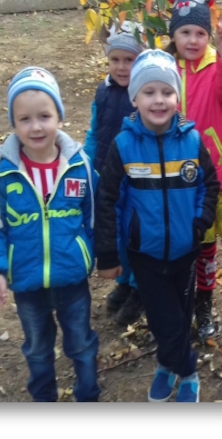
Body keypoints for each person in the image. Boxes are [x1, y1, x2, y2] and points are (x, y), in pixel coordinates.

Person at [94, 49, 219, 402]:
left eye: (167, 91)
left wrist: (199, 223)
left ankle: (167, 364)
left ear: (177, 97)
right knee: (163, 316)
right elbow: (108, 200)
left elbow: (209, 185)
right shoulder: (124, 146)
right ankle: (188, 369)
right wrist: (108, 253)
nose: (159, 100)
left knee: (179, 312)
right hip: (144, 254)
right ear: (135, 98)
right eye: (149, 92)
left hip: (185, 250)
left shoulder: (192, 141)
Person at [0, 66, 100, 401]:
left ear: (59, 117)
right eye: (25, 119)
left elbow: (95, 214)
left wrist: (89, 252)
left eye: (44, 116)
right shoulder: (1, 175)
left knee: (81, 343)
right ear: (13, 124)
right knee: (38, 349)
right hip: (27, 281)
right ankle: (44, 399)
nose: (36, 126)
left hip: (71, 278)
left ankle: (88, 395)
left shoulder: (80, 167)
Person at [165, 0, 222, 341]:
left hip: (208, 174)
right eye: (185, 32)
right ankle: (180, 302)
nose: (193, 40)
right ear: (174, 35)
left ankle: (204, 304)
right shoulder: (164, 68)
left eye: (200, 33)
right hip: (170, 173)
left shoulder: (215, 67)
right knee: (180, 243)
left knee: (206, 245)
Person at [83, 22, 145, 327]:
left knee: (135, 234)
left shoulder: (143, 95)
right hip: (107, 178)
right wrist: (86, 164)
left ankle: (138, 288)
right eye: (115, 59)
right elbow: (95, 132)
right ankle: (124, 280)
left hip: (134, 179)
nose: (121, 67)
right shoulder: (103, 92)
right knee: (116, 232)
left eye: (129, 60)